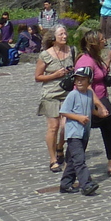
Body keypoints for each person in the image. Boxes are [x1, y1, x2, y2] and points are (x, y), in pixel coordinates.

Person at [76, 31, 111, 177]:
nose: (105, 41)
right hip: (88, 104)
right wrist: (99, 105)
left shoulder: (95, 58)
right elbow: (84, 85)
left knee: (110, 130)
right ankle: (71, 167)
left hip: (102, 99)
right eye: (102, 39)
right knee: (81, 137)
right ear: (94, 43)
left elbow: (98, 76)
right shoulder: (85, 61)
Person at [34, 25, 75, 172]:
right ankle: (53, 159)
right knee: (54, 127)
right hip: (51, 95)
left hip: (68, 94)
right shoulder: (46, 55)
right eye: (61, 34)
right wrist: (54, 75)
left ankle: (60, 147)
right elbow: (38, 77)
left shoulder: (71, 51)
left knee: (66, 126)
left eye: (65, 33)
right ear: (53, 38)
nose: (64, 36)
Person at [57, 65, 99, 195]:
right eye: (77, 79)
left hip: (84, 133)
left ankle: (66, 184)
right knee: (80, 160)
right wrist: (78, 118)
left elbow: (90, 109)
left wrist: (101, 113)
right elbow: (64, 111)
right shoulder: (73, 94)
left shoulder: (90, 94)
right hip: (74, 133)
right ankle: (86, 184)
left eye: (83, 79)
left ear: (89, 81)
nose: (79, 82)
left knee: (72, 160)